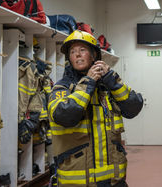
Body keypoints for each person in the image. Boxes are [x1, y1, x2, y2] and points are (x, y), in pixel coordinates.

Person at [48, 30, 143, 187]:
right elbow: (64, 115)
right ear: (69, 59)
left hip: (114, 180)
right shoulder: (62, 88)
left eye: (82, 50)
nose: (77, 55)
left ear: (94, 56)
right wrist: (88, 83)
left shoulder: (108, 86)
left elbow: (134, 107)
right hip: (78, 182)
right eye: (73, 52)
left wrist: (112, 81)